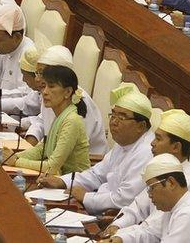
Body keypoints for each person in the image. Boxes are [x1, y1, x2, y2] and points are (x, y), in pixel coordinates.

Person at [37, 82, 154, 215]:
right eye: (113, 115)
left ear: (141, 126)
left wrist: (86, 197)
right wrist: (63, 181)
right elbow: (97, 174)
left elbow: (124, 200)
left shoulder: (146, 153)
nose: (114, 122)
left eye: (121, 117)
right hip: (95, 203)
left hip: (111, 217)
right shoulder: (124, 142)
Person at [104, 109, 190, 241]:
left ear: (176, 147)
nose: (152, 143)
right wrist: (117, 227)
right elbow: (138, 206)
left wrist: (122, 237)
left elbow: (153, 230)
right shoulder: (162, 171)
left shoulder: (189, 184)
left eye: (158, 139)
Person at [101, 154, 190, 243]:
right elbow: (151, 234)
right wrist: (120, 239)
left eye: (151, 188)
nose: (149, 195)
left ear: (171, 183)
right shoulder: (174, 208)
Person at [3, 65, 90, 175]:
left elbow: (52, 166)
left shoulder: (72, 120)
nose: (44, 92)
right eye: (44, 87)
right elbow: (41, 150)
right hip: (57, 181)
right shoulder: (60, 116)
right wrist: (11, 156)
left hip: (74, 186)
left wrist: (16, 161)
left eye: (51, 86)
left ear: (67, 92)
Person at [25, 45, 109, 156]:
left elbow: (69, 151)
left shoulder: (80, 102)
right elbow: (42, 120)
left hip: (84, 166)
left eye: (41, 73)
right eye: (37, 73)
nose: (37, 78)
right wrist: (32, 138)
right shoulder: (50, 93)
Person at [0, 45, 42, 121]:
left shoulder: (26, 50)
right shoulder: (39, 92)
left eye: (25, 75)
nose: (23, 79)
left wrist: (23, 124)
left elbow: (43, 120)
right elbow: (26, 103)